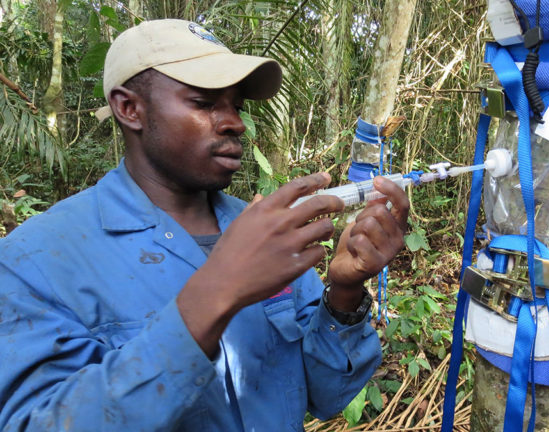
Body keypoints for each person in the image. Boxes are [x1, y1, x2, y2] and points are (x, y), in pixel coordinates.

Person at [0, 19, 409, 431]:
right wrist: (217, 293)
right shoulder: (34, 262)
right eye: (204, 102)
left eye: (237, 106)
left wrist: (343, 294)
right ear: (129, 108)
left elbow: (325, 395)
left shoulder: (264, 230)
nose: (235, 122)